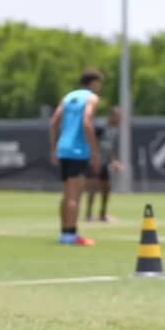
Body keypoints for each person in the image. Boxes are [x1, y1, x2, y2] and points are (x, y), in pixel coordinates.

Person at [49, 69, 101, 246]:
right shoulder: (91, 98)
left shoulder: (68, 97)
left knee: (67, 194)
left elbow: (54, 121)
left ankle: (64, 231)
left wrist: (54, 146)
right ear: (93, 83)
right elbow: (87, 121)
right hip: (78, 151)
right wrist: (94, 151)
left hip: (63, 149)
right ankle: (70, 234)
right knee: (75, 195)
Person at [84, 107, 121, 223]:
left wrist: (113, 160)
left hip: (105, 162)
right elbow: (92, 142)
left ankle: (102, 214)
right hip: (95, 160)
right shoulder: (101, 127)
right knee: (93, 187)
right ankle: (88, 214)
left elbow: (109, 148)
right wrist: (93, 158)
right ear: (111, 116)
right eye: (117, 116)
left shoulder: (115, 130)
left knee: (106, 188)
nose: (119, 119)